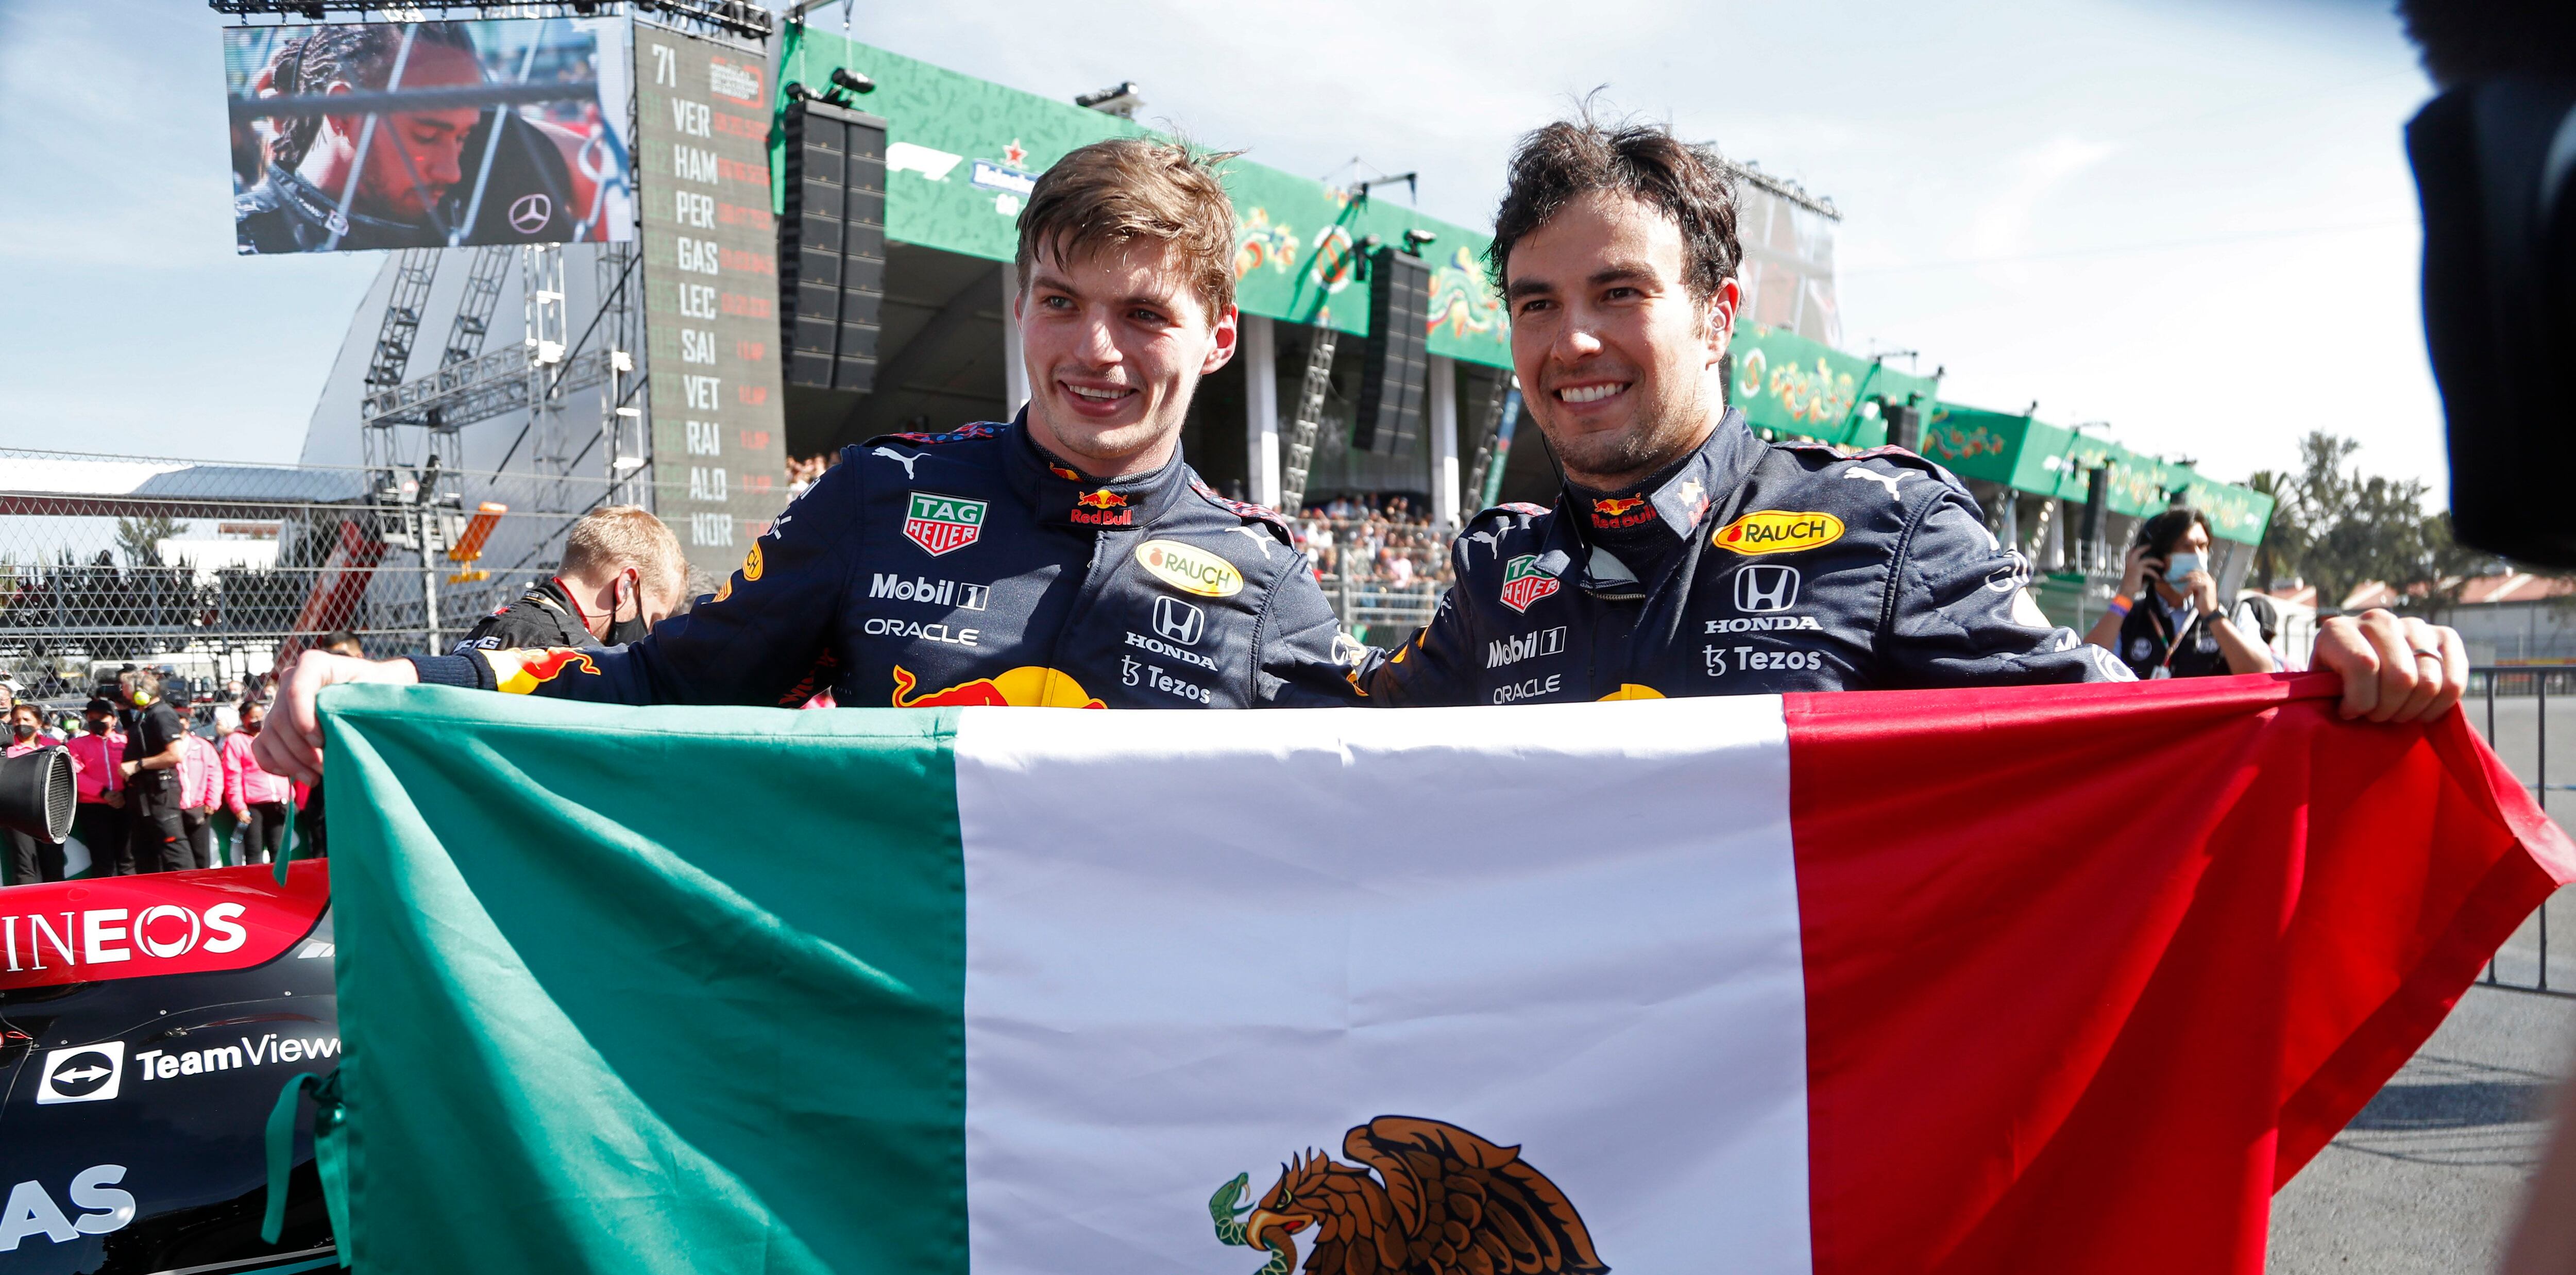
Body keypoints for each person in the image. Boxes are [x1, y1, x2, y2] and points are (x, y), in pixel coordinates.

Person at [254, 137, 1355, 777]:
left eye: (1144, 315)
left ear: (1217, 339)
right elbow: (656, 683)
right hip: (900, 1057)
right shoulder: (884, 497)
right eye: (1061, 302)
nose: (1093, 350)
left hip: (1134, 1074)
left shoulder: (1266, 582)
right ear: (1020, 307)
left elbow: (1402, 823)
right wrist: (402, 682)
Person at [1354, 116, 2466, 720]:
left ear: (1718, 317)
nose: (1571, 343)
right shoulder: (1501, 572)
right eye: (1536, 304)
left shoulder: (1885, 527)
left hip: (1804, 1129)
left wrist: (2324, 687)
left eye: (1619, 293)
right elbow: (1313, 742)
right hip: (1548, 1136)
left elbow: (2129, 740)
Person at [234, 23, 579, 254]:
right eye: (427, 137)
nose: (452, 172)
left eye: (463, 137)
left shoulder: (488, 171)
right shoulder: (252, 238)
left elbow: (592, 161)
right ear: (343, 110)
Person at [456, 507, 689, 651]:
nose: (650, 633)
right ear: (625, 586)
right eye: (654, 619)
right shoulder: (577, 658)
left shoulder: (485, 629)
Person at [2087, 507, 2275, 678]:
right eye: (2186, 547)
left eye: (2202, 547)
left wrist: (2213, 615)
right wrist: (2125, 595)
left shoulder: (2235, 613)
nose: (2198, 556)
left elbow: (2263, 674)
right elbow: (2087, 670)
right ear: (2155, 557)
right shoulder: (2127, 619)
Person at [116, 668, 194, 873]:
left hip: (160, 792)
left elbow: (175, 755)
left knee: (173, 846)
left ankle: (190, 891)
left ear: (141, 693)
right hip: (144, 794)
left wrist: (139, 764)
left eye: (125, 690)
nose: (124, 695)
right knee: (144, 851)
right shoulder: (145, 716)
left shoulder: (162, 714)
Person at [224, 699, 295, 867]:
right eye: (253, 717)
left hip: (278, 802)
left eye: (261, 717)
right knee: (254, 851)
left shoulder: (273, 736)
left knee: (278, 849)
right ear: (243, 718)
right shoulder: (236, 741)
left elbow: (287, 766)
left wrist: (291, 796)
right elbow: (232, 775)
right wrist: (238, 806)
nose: (258, 721)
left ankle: (281, 889)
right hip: (253, 805)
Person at [2, 702, 65, 887]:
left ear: (39, 723)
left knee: (54, 863)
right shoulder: (6, 749)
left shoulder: (54, 746)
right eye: (16, 720)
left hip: (50, 813)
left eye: (27, 719)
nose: (21, 723)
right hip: (17, 813)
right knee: (25, 865)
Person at [63, 697, 128, 878]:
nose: (96, 721)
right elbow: (74, 773)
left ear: (114, 719)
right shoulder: (76, 745)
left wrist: (124, 795)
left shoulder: (124, 742)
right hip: (94, 807)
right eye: (92, 718)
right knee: (103, 859)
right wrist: (104, 793)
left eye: (102, 717)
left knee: (128, 857)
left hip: (126, 804)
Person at [179, 720, 225, 869]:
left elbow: (215, 774)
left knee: (201, 855)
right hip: (173, 810)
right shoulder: (161, 745)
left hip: (199, 808)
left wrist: (212, 801)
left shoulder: (203, 746)